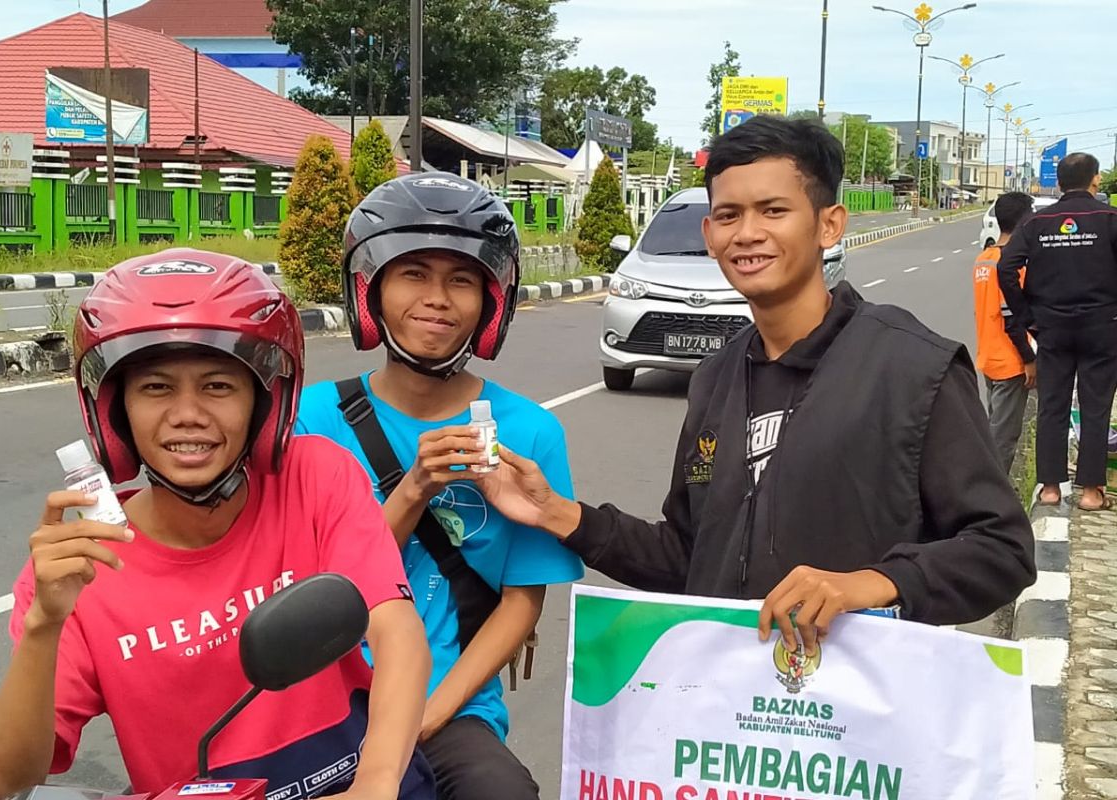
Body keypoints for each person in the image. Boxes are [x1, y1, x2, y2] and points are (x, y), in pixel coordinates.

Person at [477, 116, 1036, 656]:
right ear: (709, 233)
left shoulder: (916, 367)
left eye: (773, 211)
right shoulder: (717, 377)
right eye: (729, 215)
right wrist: (559, 514)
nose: (748, 234)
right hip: (734, 721)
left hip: (861, 728)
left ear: (829, 224)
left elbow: (1001, 552)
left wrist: (872, 584)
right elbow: (689, 557)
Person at [0, 250, 435, 800]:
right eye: (156, 388)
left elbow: (395, 628)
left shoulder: (314, 477)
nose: (188, 413)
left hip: (353, 776)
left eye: (218, 386)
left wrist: (376, 785)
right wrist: (42, 626)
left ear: (263, 404)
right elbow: (8, 781)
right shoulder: (81, 566)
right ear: (116, 411)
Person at [294, 173, 583, 800]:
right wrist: (413, 490)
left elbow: (521, 601)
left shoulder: (530, 432)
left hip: (450, 705)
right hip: (321, 702)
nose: (437, 299)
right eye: (413, 274)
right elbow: (313, 588)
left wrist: (427, 715)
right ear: (372, 292)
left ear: (490, 302)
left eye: (461, 280)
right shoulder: (310, 421)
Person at [999, 153, 1117, 511]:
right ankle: (1091, 492)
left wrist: (1027, 317)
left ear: (1060, 183)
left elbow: (1006, 266)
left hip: (1051, 327)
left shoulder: (1037, 222)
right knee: (1096, 406)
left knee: (1053, 405)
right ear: (1095, 180)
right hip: (1102, 327)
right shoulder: (1110, 219)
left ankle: (1050, 488)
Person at [973, 191, 1037, 472]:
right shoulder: (1012, 266)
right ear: (1024, 222)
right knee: (1003, 442)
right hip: (1011, 363)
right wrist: (1029, 359)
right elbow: (1011, 318)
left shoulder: (983, 260)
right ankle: (992, 505)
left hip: (988, 359)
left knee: (992, 435)